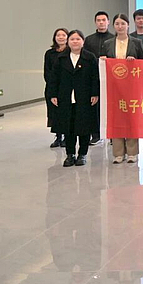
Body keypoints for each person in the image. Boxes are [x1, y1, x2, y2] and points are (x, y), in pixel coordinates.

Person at [47, 30, 99, 167]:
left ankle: (82, 154)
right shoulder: (61, 58)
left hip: (84, 98)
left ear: (83, 41)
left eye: (78, 39)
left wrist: (95, 93)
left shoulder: (90, 57)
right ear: (68, 42)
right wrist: (53, 94)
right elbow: (54, 78)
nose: (75, 42)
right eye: (72, 39)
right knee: (68, 127)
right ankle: (70, 154)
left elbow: (95, 77)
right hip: (66, 97)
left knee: (84, 127)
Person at [102, 14, 143, 164]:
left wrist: (135, 61)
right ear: (113, 26)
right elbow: (104, 62)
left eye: (123, 23)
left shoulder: (136, 42)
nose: (120, 26)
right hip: (114, 87)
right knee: (116, 117)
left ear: (128, 25)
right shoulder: (108, 43)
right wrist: (103, 60)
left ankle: (132, 152)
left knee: (131, 117)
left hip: (132, 86)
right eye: (117, 24)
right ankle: (118, 153)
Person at [84, 11, 113, 145]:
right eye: (98, 20)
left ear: (108, 22)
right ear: (95, 22)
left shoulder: (113, 39)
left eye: (103, 20)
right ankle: (96, 134)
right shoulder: (89, 40)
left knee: (110, 105)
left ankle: (112, 134)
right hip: (93, 77)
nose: (101, 23)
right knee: (94, 106)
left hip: (110, 78)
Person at [44, 28, 69, 148]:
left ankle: (67, 137)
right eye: (58, 35)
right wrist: (53, 85)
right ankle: (58, 137)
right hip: (53, 88)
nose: (61, 37)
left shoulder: (70, 52)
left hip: (67, 87)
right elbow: (47, 71)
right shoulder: (49, 53)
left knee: (66, 112)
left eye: (63, 35)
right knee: (54, 113)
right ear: (55, 38)